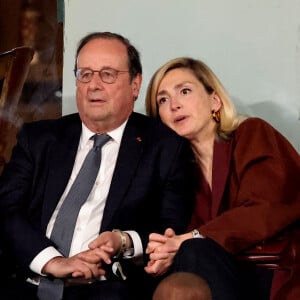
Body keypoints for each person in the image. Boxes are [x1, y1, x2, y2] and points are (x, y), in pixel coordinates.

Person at [0, 33, 195, 300]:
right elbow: (6, 211)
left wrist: (123, 241)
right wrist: (52, 261)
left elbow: (170, 228)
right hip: (27, 281)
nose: (93, 85)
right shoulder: (39, 139)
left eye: (107, 74)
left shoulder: (164, 147)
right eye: (85, 74)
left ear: (135, 85)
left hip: (106, 288)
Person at [144, 57, 300, 300]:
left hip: (273, 274)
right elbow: (172, 234)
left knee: (193, 250)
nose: (174, 104)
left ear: (214, 101)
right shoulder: (178, 171)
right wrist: (164, 252)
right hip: (217, 275)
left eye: (184, 91)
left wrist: (191, 238)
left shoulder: (252, 132)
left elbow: (266, 209)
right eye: (162, 100)